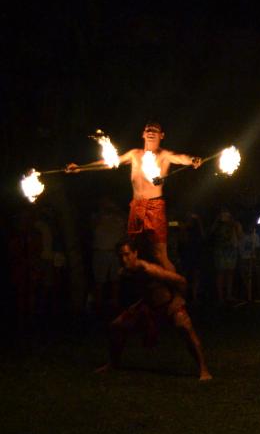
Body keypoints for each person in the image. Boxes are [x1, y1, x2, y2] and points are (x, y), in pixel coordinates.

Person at [67, 121, 202, 271]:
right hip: (136, 206)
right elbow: (109, 163)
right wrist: (81, 168)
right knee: (134, 252)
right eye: (148, 129)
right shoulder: (134, 154)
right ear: (143, 134)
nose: (151, 132)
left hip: (154, 206)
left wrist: (192, 160)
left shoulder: (164, 155)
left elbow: (181, 157)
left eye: (155, 130)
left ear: (161, 135)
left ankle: (177, 288)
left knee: (159, 255)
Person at [95, 238, 212, 381]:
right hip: (148, 306)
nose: (124, 259)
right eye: (120, 256)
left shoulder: (149, 269)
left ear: (135, 253)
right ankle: (113, 363)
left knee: (184, 327)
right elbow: (146, 290)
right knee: (116, 326)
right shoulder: (124, 272)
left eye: (127, 254)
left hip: (167, 305)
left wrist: (178, 298)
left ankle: (204, 370)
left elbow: (181, 281)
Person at [91, 198, 127, 315]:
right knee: (99, 281)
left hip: (115, 253)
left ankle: (114, 305)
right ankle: (98, 305)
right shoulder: (97, 217)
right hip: (100, 252)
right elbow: (92, 225)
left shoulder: (120, 218)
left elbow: (126, 229)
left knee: (115, 280)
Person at [210, 207, 242, 304]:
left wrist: (236, 227)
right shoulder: (217, 225)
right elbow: (211, 233)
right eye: (223, 214)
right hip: (220, 251)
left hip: (231, 250)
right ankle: (221, 297)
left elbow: (240, 236)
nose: (225, 216)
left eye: (227, 214)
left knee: (230, 273)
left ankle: (229, 295)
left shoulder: (234, 224)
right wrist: (217, 221)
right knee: (221, 273)